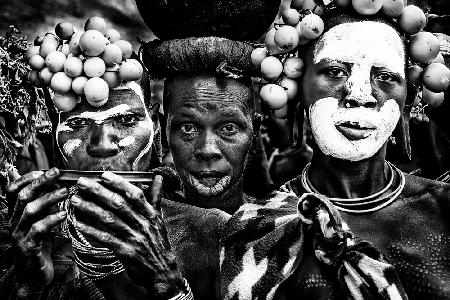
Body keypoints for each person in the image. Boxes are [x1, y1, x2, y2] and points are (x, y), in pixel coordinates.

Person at [220, 7, 450, 300]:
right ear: (299, 87)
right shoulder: (259, 229)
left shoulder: (443, 208)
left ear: (408, 96)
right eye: (335, 71)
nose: (361, 94)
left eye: (386, 77)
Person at [0, 81, 195, 299]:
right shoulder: (23, 236)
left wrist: (168, 285)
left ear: (155, 127)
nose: (102, 145)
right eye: (77, 123)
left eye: (126, 120)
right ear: (55, 136)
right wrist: (27, 286)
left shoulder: (211, 234)